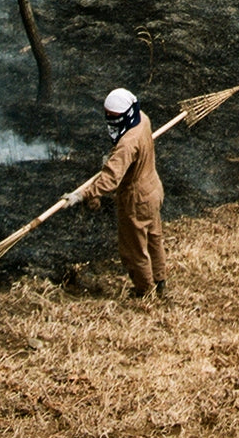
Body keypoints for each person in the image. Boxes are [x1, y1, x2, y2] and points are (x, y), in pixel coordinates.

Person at [68, 88, 166, 298]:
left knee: (134, 250)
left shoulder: (127, 144)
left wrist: (85, 193)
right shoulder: (143, 120)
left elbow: (111, 179)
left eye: (113, 117)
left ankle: (145, 292)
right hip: (153, 189)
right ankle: (160, 281)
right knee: (154, 238)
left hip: (136, 199)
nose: (110, 121)